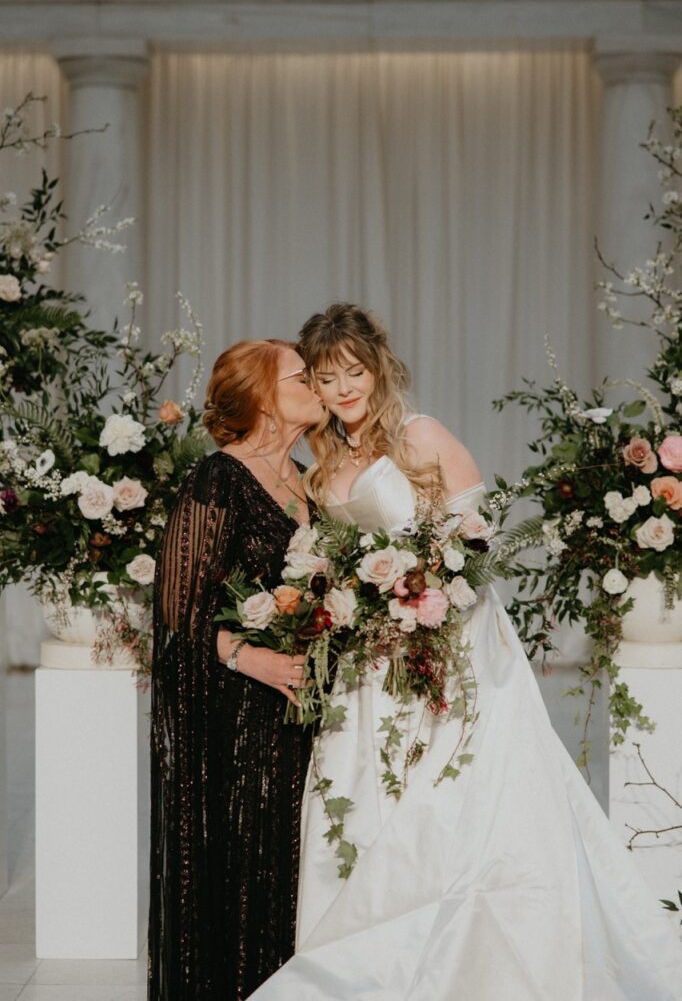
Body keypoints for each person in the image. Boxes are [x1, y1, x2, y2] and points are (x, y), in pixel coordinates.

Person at [250, 305, 682, 1001]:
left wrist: (424, 586)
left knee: (468, 801)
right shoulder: (320, 466)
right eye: (327, 379)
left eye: (354, 371)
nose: (344, 389)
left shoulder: (423, 437)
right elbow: (325, 563)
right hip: (373, 663)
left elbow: (477, 544)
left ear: (379, 366)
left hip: (456, 643)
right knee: (371, 798)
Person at [148, 339, 324, 1001]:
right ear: (258, 395)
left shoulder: (309, 477)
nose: (317, 384)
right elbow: (175, 615)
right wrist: (257, 659)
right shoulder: (216, 479)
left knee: (296, 874)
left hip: (307, 714)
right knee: (246, 871)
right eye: (301, 376)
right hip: (238, 718)